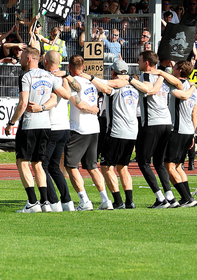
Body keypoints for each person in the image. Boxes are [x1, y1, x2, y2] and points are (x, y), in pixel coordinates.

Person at [5, 46, 59, 213]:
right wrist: (43, 107)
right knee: (39, 164)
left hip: (29, 125)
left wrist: (11, 123)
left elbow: (23, 104)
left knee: (22, 161)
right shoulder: (49, 76)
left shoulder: (26, 76)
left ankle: (32, 202)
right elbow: (57, 98)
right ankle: (45, 203)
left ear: (28, 59)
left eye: (22, 57)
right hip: (45, 125)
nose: (20, 59)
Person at [129, 51, 183, 208]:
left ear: (146, 63)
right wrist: (162, 74)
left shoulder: (146, 76)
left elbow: (149, 90)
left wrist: (132, 80)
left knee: (143, 161)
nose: (138, 63)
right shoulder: (165, 78)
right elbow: (179, 84)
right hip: (166, 123)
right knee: (159, 162)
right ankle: (171, 197)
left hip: (152, 123)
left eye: (139, 60)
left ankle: (160, 198)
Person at [86, 60, 139, 211]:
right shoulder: (135, 86)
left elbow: (104, 86)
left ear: (114, 73)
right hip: (132, 132)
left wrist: (88, 77)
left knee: (106, 166)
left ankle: (118, 201)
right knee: (123, 167)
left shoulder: (113, 86)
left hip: (116, 131)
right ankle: (130, 202)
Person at [60, 55, 108, 212]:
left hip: (79, 128)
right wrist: (94, 110)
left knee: (71, 166)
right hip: (94, 128)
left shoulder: (73, 81)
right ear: (84, 67)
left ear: (69, 68)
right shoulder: (90, 82)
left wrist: (92, 109)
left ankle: (84, 199)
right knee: (92, 166)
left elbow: (78, 103)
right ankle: (105, 199)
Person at [38, 51, 72, 211]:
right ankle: (67, 201)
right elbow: (71, 91)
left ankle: (53, 202)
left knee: (42, 165)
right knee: (54, 166)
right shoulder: (63, 77)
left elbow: (63, 96)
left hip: (53, 126)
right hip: (64, 126)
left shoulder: (48, 78)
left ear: (45, 61)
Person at [167, 61, 197, 208]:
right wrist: (193, 133)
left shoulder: (177, 86)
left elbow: (183, 97)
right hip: (188, 131)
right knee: (179, 165)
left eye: (174, 67)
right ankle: (188, 197)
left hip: (177, 130)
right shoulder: (193, 88)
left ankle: (186, 198)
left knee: (169, 165)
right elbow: (194, 113)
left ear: (179, 71)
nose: (172, 69)